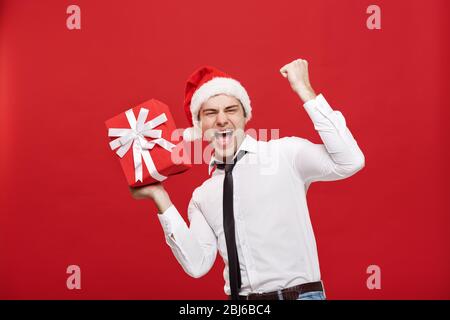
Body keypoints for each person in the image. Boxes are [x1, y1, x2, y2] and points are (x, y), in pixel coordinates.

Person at [130, 59, 365, 300]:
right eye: (210, 113)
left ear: (245, 116)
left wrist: (305, 90)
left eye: (231, 110)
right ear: (199, 127)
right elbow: (197, 264)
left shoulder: (285, 154)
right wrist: (160, 197)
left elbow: (350, 161)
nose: (222, 120)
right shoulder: (202, 196)